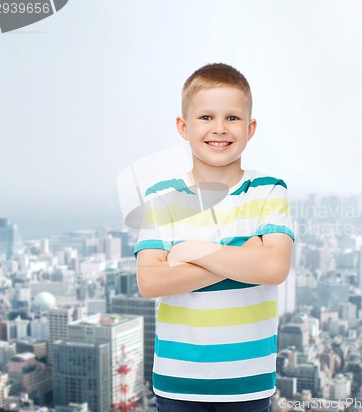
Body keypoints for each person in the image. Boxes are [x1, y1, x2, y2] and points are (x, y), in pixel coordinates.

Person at [135, 63, 295, 412]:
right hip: (178, 382)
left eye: (232, 118)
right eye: (205, 117)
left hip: (248, 383)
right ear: (183, 126)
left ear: (250, 128)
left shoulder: (268, 190)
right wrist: (243, 255)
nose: (219, 129)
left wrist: (190, 250)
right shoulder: (161, 196)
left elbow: (274, 268)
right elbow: (150, 281)